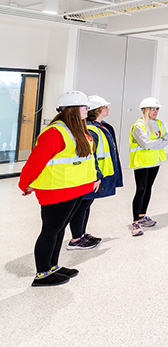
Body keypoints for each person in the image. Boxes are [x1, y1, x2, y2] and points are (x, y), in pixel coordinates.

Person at [19, 91, 98, 286]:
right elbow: (35, 162)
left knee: (60, 229)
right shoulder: (54, 132)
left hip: (75, 188)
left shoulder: (78, 130)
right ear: (72, 110)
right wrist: (25, 184)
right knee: (50, 230)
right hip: (57, 190)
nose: (88, 110)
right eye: (84, 106)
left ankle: (53, 267)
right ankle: (42, 274)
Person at [67, 95, 122, 249]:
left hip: (97, 175)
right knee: (82, 205)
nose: (108, 109)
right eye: (105, 107)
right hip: (91, 176)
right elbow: (91, 156)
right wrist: (96, 176)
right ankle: (76, 239)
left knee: (86, 204)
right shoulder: (91, 130)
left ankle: (82, 234)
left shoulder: (99, 126)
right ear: (97, 110)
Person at [129, 97, 168, 235]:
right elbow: (145, 144)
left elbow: (166, 140)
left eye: (157, 109)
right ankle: (135, 223)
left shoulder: (160, 124)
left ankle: (142, 215)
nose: (155, 111)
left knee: (148, 189)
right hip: (142, 162)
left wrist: (155, 142)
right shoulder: (139, 126)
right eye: (152, 109)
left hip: (155, 161)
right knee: (141, 189)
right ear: (144, 110)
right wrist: (159, 141)